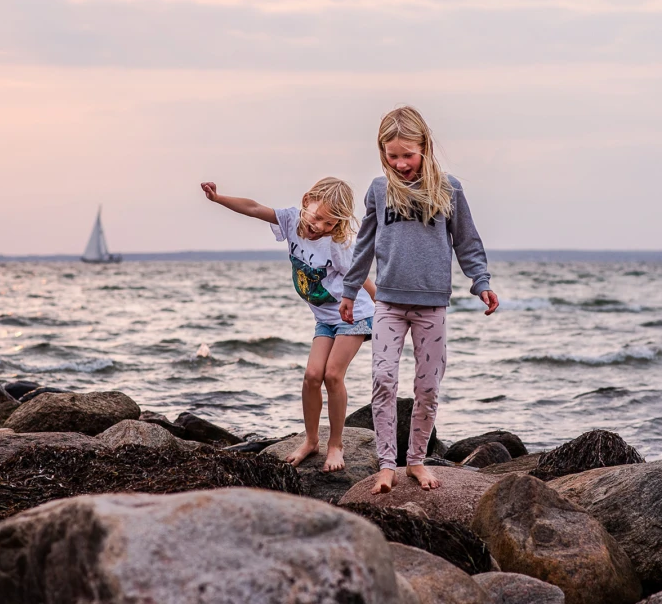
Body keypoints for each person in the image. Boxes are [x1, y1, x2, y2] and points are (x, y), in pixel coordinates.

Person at [339, 106, 500, 494]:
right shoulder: (379, 190)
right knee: (383, 379)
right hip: (389, 304)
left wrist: (480, 281)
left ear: (424, 148)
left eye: (407, 155)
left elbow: (466, 239)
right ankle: (385, 465)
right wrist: (349, 290)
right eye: (392, 156)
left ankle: (415, 460)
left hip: (432, 305)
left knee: (427, 387)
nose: (400, 163)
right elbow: (363, 245)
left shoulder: (449, 188)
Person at [201, 177, 376, 472]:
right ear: (307, 201)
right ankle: (310, 440)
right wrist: (218, 199)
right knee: (311, 375)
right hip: (325, 319)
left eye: (330, 223)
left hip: (354, 315)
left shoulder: (337, 245)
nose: (320, 226)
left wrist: (386, 306)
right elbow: (255, 208)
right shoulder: (291, 219)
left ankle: (336, 445)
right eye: (318, 217)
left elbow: (361, 277)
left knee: (332, 375)